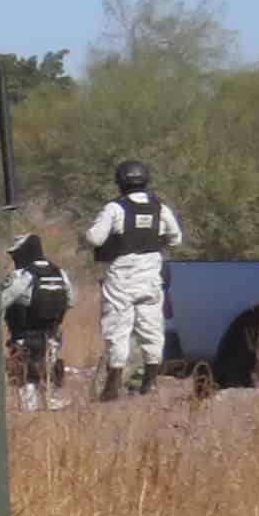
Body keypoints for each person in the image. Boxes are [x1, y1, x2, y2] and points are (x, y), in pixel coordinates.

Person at [81, 159, 186, 400]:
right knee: (151, 329)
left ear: (120, 182)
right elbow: (176, 238)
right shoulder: (160, 207)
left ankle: (112, 385)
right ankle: (149, 383)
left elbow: (94, 238)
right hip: (151, 276)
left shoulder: (115, 208)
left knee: (118, 329)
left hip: (122, 277)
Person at [1, 234, 73, 411]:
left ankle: (30, 416)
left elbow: (0, 301)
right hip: (52, 336)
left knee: (25, 377)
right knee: (50, 375)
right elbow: (71, 300)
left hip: (23, 338)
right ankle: (53, 411)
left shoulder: (21, 276)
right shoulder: (59, 272)